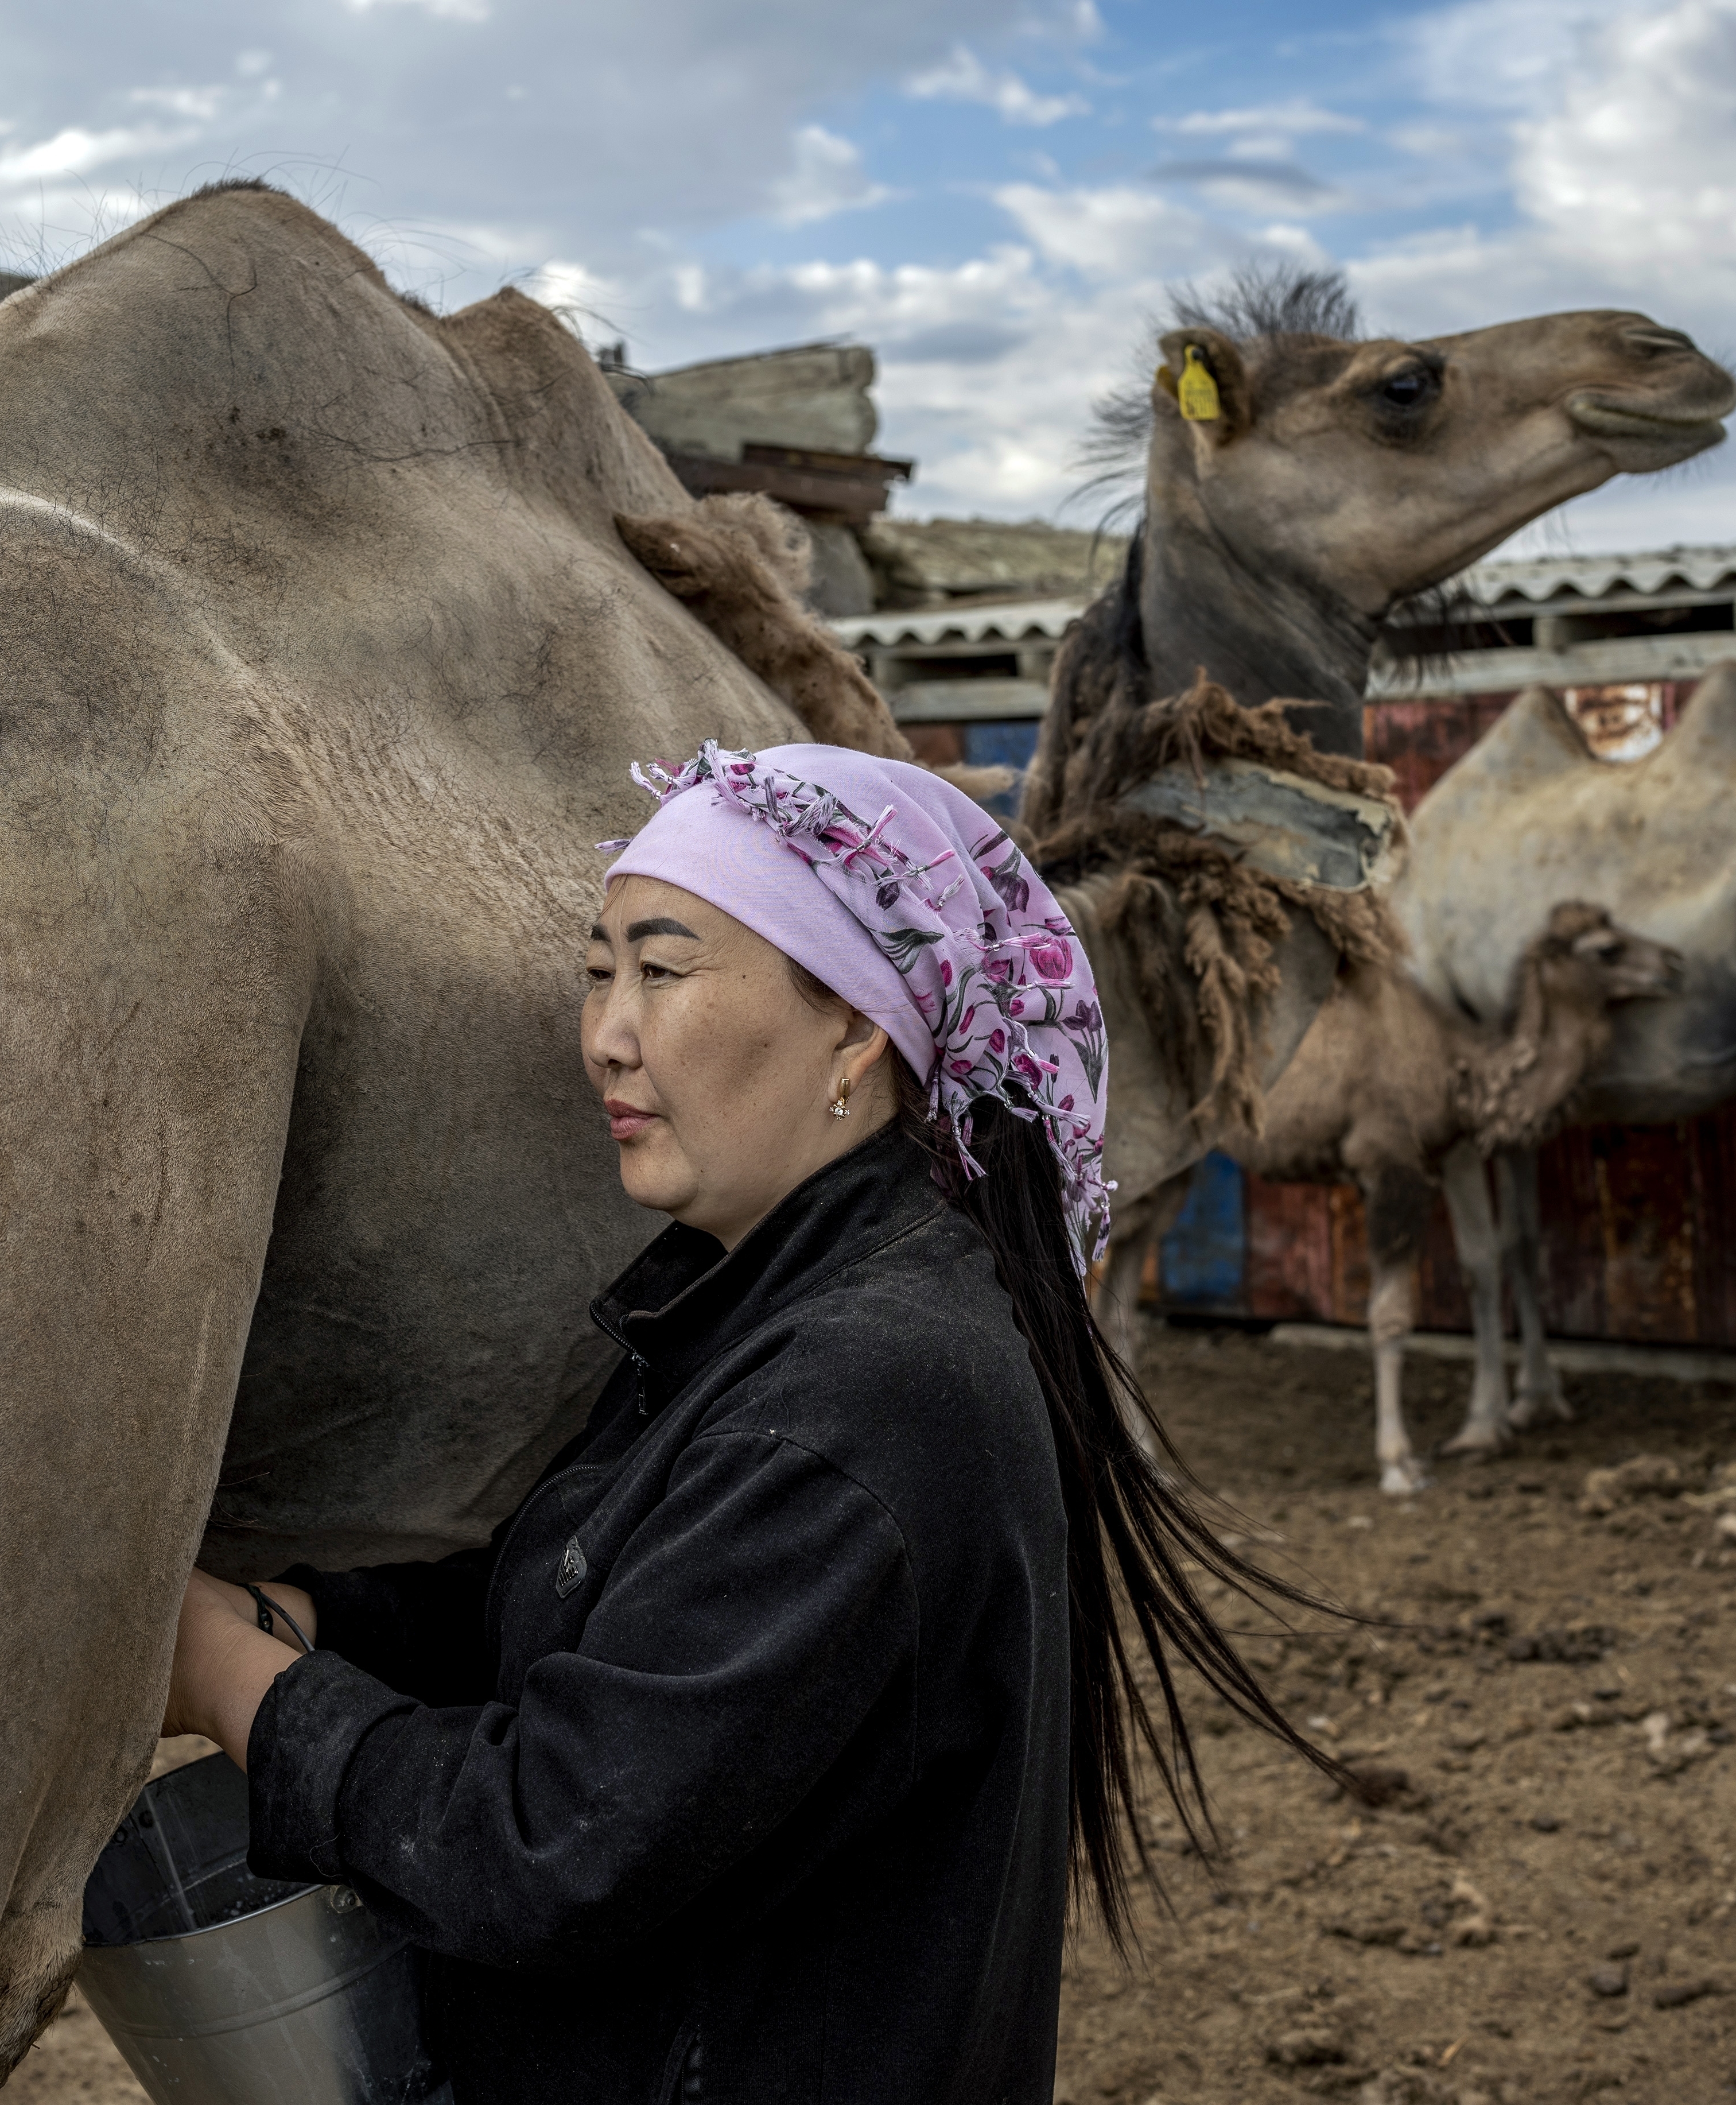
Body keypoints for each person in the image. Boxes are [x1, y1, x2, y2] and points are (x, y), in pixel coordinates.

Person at [161, 742, 1329, 2104]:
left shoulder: (864, 1399)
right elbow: (605, 1598)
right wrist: (301, 1614)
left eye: (662, 970)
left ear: (855, 1030)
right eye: (598, 969)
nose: (605, 1030)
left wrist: (237, 1686)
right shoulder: (782, 1307)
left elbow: (550, 1845)